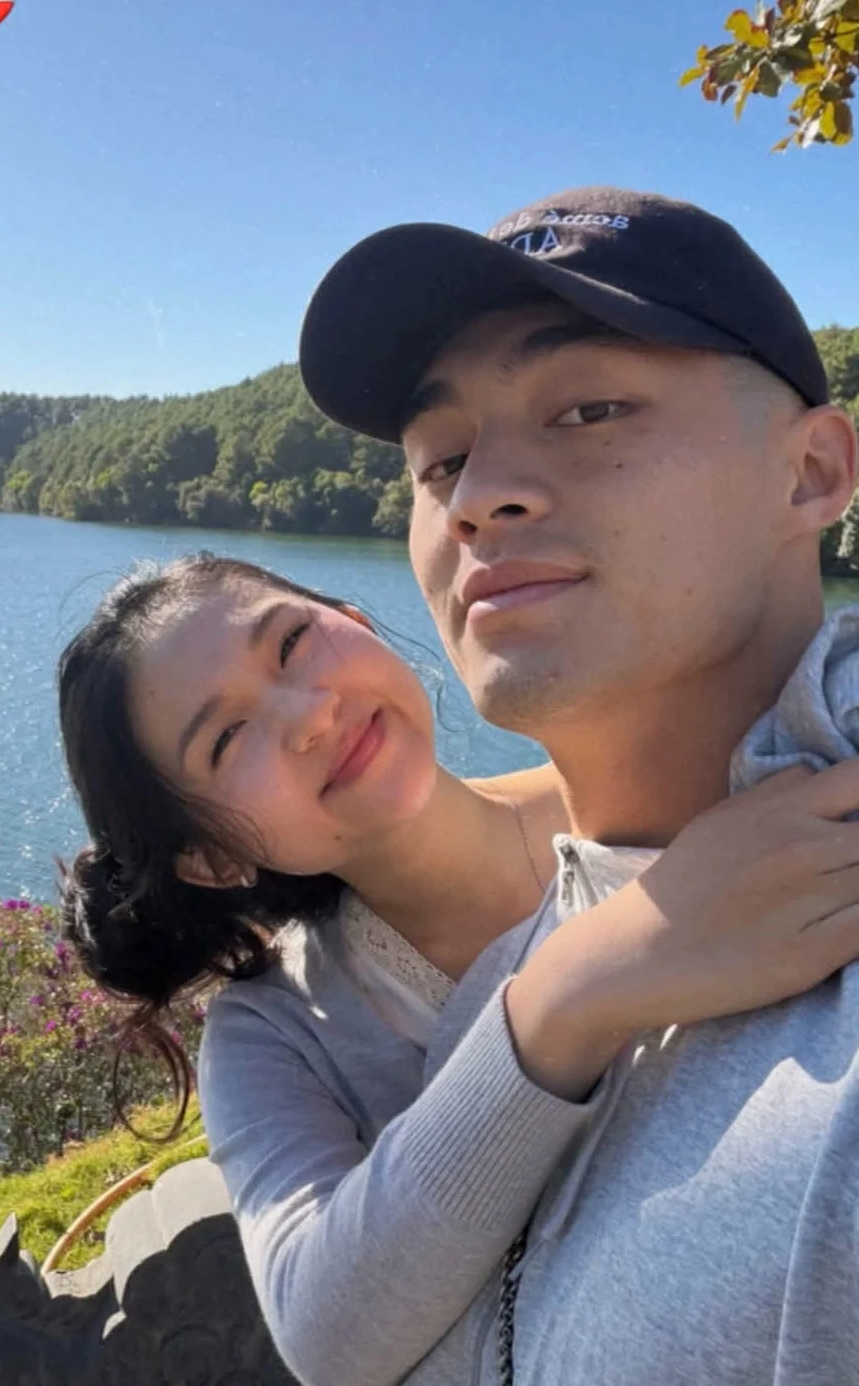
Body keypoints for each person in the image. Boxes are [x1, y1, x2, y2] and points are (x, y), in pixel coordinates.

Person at [291, 184, 859, 1384]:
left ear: (812, 472)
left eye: (590, 409)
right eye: (441, 460)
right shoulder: (524, 978)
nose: (477, 496)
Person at [57, 548, 859, 1385]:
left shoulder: (669, 796)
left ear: (356, 623)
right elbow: (329, 1338)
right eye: (227, 739)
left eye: (292, 642)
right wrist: (568, 996)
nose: (310, 714)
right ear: (211, 860)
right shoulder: (279, 1029)